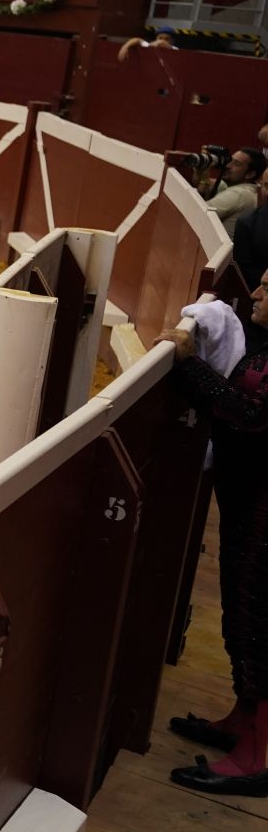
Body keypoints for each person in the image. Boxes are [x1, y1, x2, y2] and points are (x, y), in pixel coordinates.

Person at [158, 280, 268, 796]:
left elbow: (251, 416)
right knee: (243, 613)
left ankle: (256, 758)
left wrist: (189, 365)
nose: (260, 289)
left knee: (261, 621)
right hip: (249, 503)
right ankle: (242, 723)